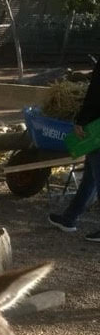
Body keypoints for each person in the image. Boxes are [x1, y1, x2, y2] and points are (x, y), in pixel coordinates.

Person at [48, 56, 100, 242]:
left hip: (96, 125)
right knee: (91, 176)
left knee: (97, 173)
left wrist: (82, 120)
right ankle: (69, 218)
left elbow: (96, 93)